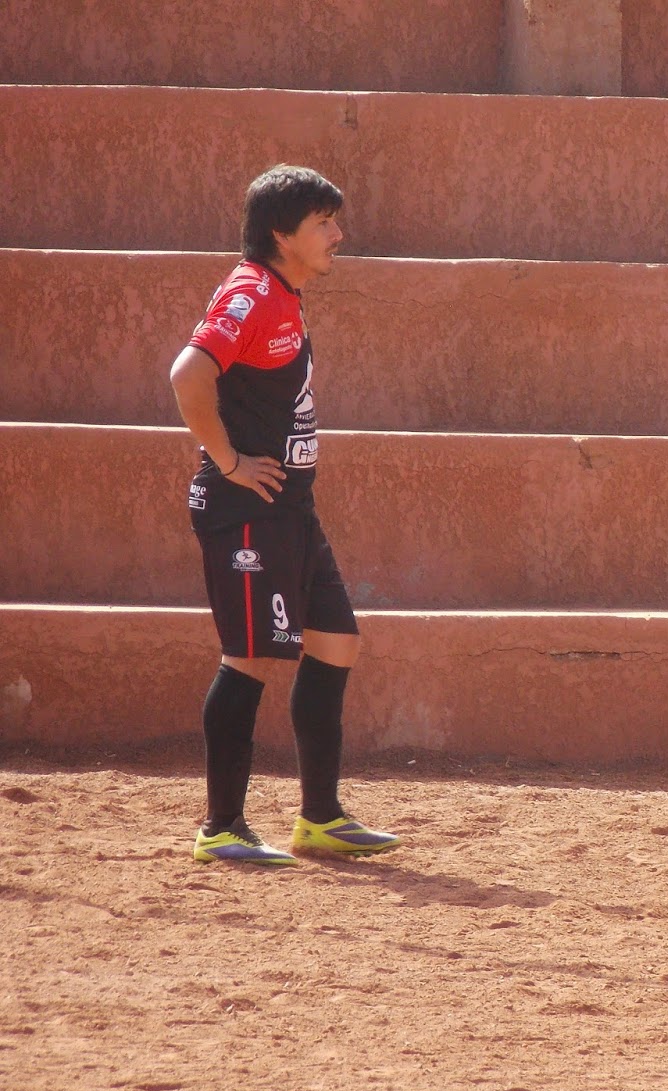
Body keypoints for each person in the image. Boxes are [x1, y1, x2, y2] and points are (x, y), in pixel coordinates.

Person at [170, 164, 399, 866]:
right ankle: (221, 827)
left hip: (291, 508)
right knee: (246, 660)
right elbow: (188, 374)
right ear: (281, 235)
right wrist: (230, 461)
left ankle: (320, 819)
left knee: (336, 641)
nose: (338, 234)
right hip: (247, 508)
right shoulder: (251, 292)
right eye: (323, 224)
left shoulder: (282, 293)